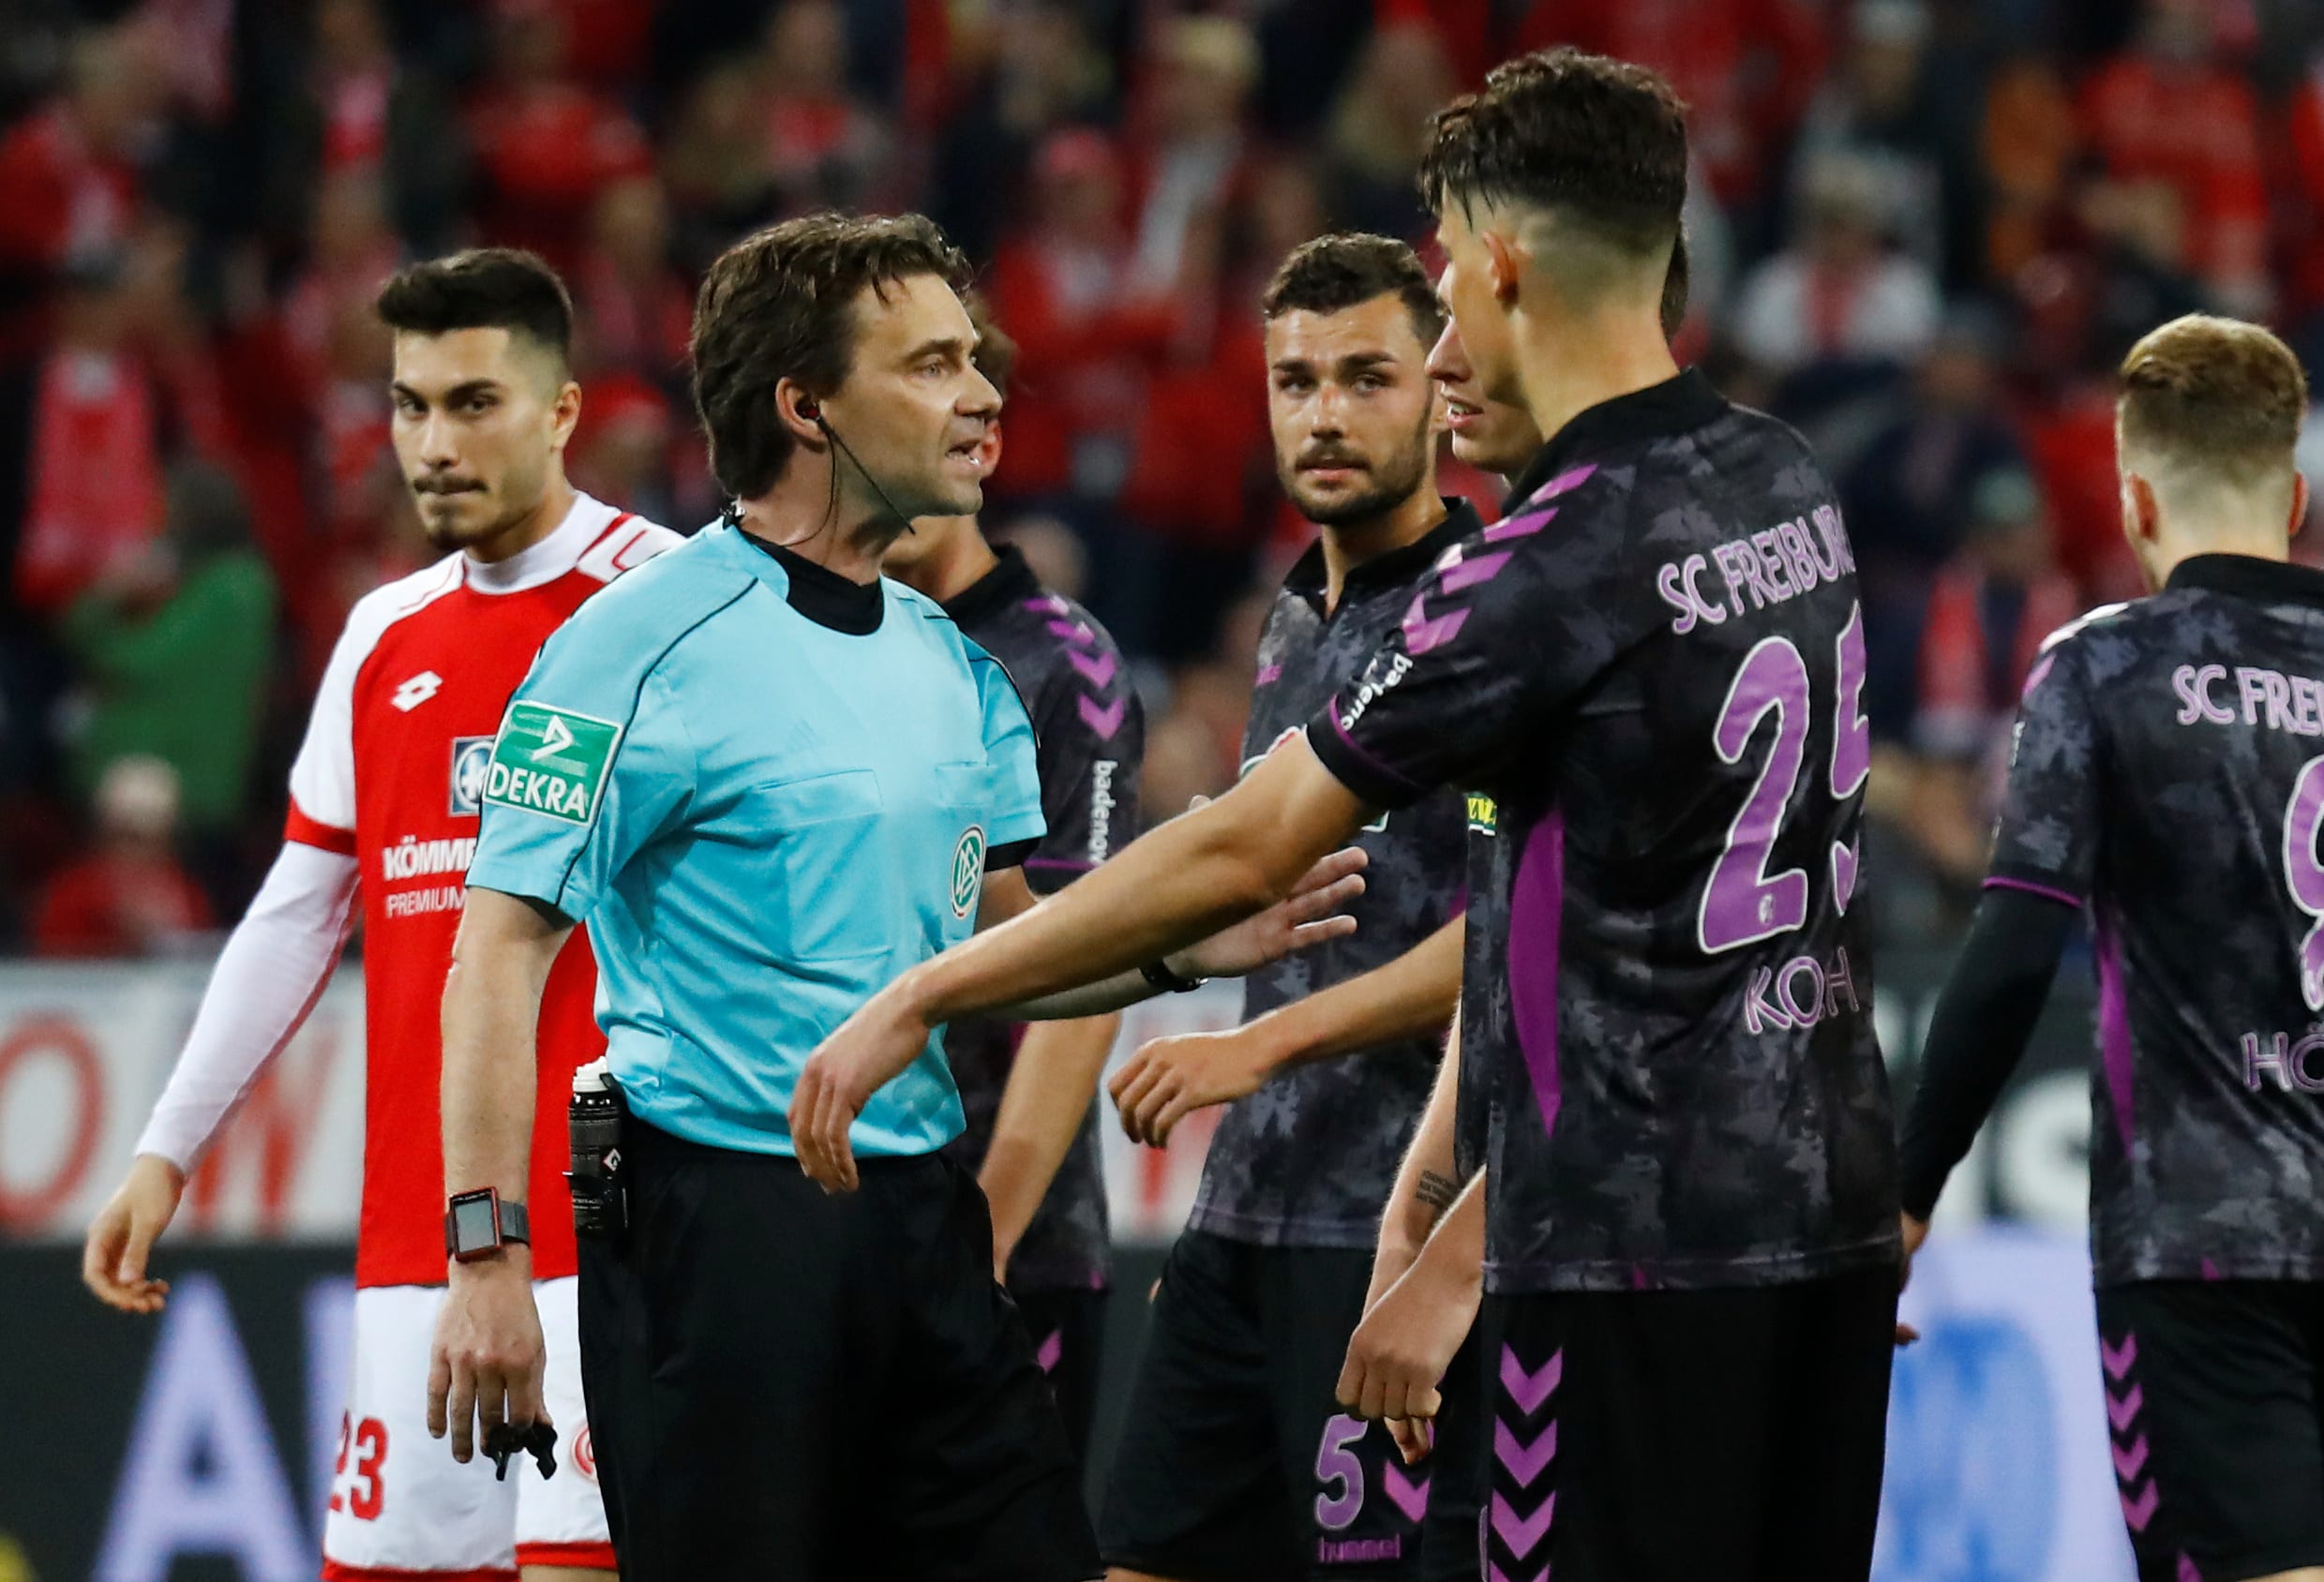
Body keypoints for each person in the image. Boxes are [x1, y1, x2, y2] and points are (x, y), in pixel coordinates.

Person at [799, 50, 1899, 1582]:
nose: (1445, 346)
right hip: (1823, 1213)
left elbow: (1252, 844)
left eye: (1441, 295)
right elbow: (1576, 916)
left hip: (1615, 1261)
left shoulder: (1538, 569)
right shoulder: (1781, 477)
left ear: (1500, 267)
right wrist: (1423, 1214)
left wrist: (928, 990)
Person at [424, 212, 1364, 1582]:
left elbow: (1001, 940)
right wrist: (484, 1255)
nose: (981, 393)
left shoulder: (950, 662)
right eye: (930, 365)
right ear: (804, 405)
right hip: (718, 1227)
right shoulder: (624, 647)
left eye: (970, 360)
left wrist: (1174, 945)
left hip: (923, 1215)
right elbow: (496, 957)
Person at [81, 246, 676, 1581]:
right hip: (419, 1242)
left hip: (615, 1237)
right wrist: (166, 1149)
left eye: (473, 403)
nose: (434, 444)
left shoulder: (671, 601)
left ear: (562, 412)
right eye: (410, 405)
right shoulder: (382, 634)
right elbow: (298, 914)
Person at [1897, 314, 2324, 1582]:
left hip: (2197, 1245)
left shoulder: (2105, 665)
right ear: (2292, 498)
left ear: (2132, 501)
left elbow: (2012, 952)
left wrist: (1908, 1191)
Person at [1093, 232, 1477, 1582]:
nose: (1323, 413)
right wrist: (1226, 1220)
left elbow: (1518, 931)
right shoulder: (1291, 620)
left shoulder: (1488, 618)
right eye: (1295, 380)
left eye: (1366, 377)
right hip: (1245, 1222)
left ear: (1440, 391)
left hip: (1392, 1225)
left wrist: (1256, 1047)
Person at [880, 310, 1145, 1460]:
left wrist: (983, 1240)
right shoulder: (823, 651)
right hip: (839, 1237)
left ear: (977, 444)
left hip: (1011, 1254)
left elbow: (1083, 970)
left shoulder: (1061, 667)